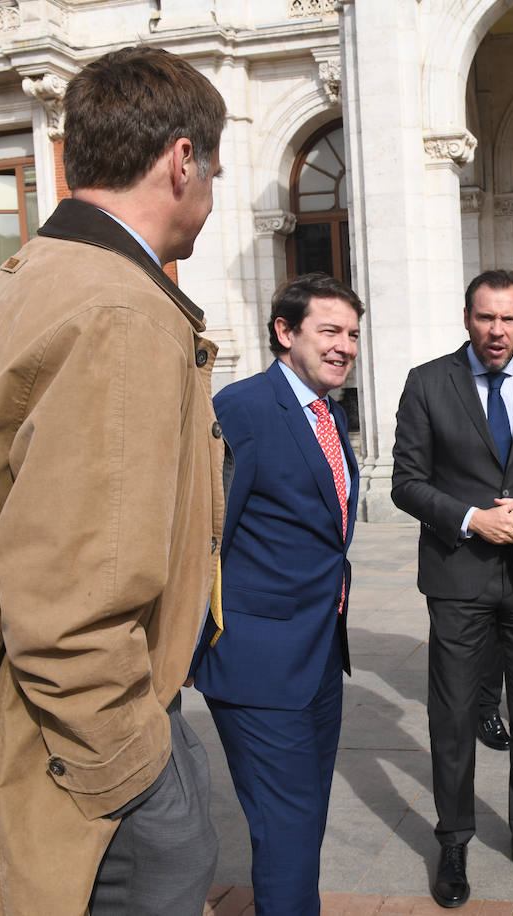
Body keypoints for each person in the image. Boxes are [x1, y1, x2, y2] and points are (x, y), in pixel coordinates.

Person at [0, 47, 226, 915]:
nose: (211, 190)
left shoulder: (34, 271)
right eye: (213, 167)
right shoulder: (118, 310)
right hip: (73, 777)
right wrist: (140, 781)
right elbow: (73, 606)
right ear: (182, 160)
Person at [391, 269, 513, 907]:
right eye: (485, 317)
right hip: (458, 574)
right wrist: (473, 518)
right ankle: (453, 840)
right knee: (451, 718)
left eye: (508, 318)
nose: (496, 330)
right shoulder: (427, 383)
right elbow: (407, 481)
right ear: (467, 318)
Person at [189, 274, 363, 913]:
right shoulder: (243, 409)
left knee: (303, 817)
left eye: (351, 334)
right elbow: (204, 536)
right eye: (329, 331)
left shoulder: (329, 409)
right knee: (287, 826)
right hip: (258, 664)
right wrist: (189, 646)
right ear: (284, 333)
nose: (343, 346)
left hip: (318, 657)